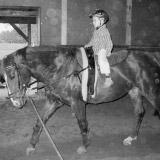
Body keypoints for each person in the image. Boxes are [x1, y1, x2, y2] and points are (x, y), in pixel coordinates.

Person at [85, 9, 113, 97]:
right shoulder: (96, 31)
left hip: (102, 50)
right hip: (95, 50)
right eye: (93, 20)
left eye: (95, 20)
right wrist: (87, 45)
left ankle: (108, 78)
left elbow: (110, 43)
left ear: (102, 21)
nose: (93, 22)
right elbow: (92, 41)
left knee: (101, 59)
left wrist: (107, 51)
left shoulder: (105, 31)